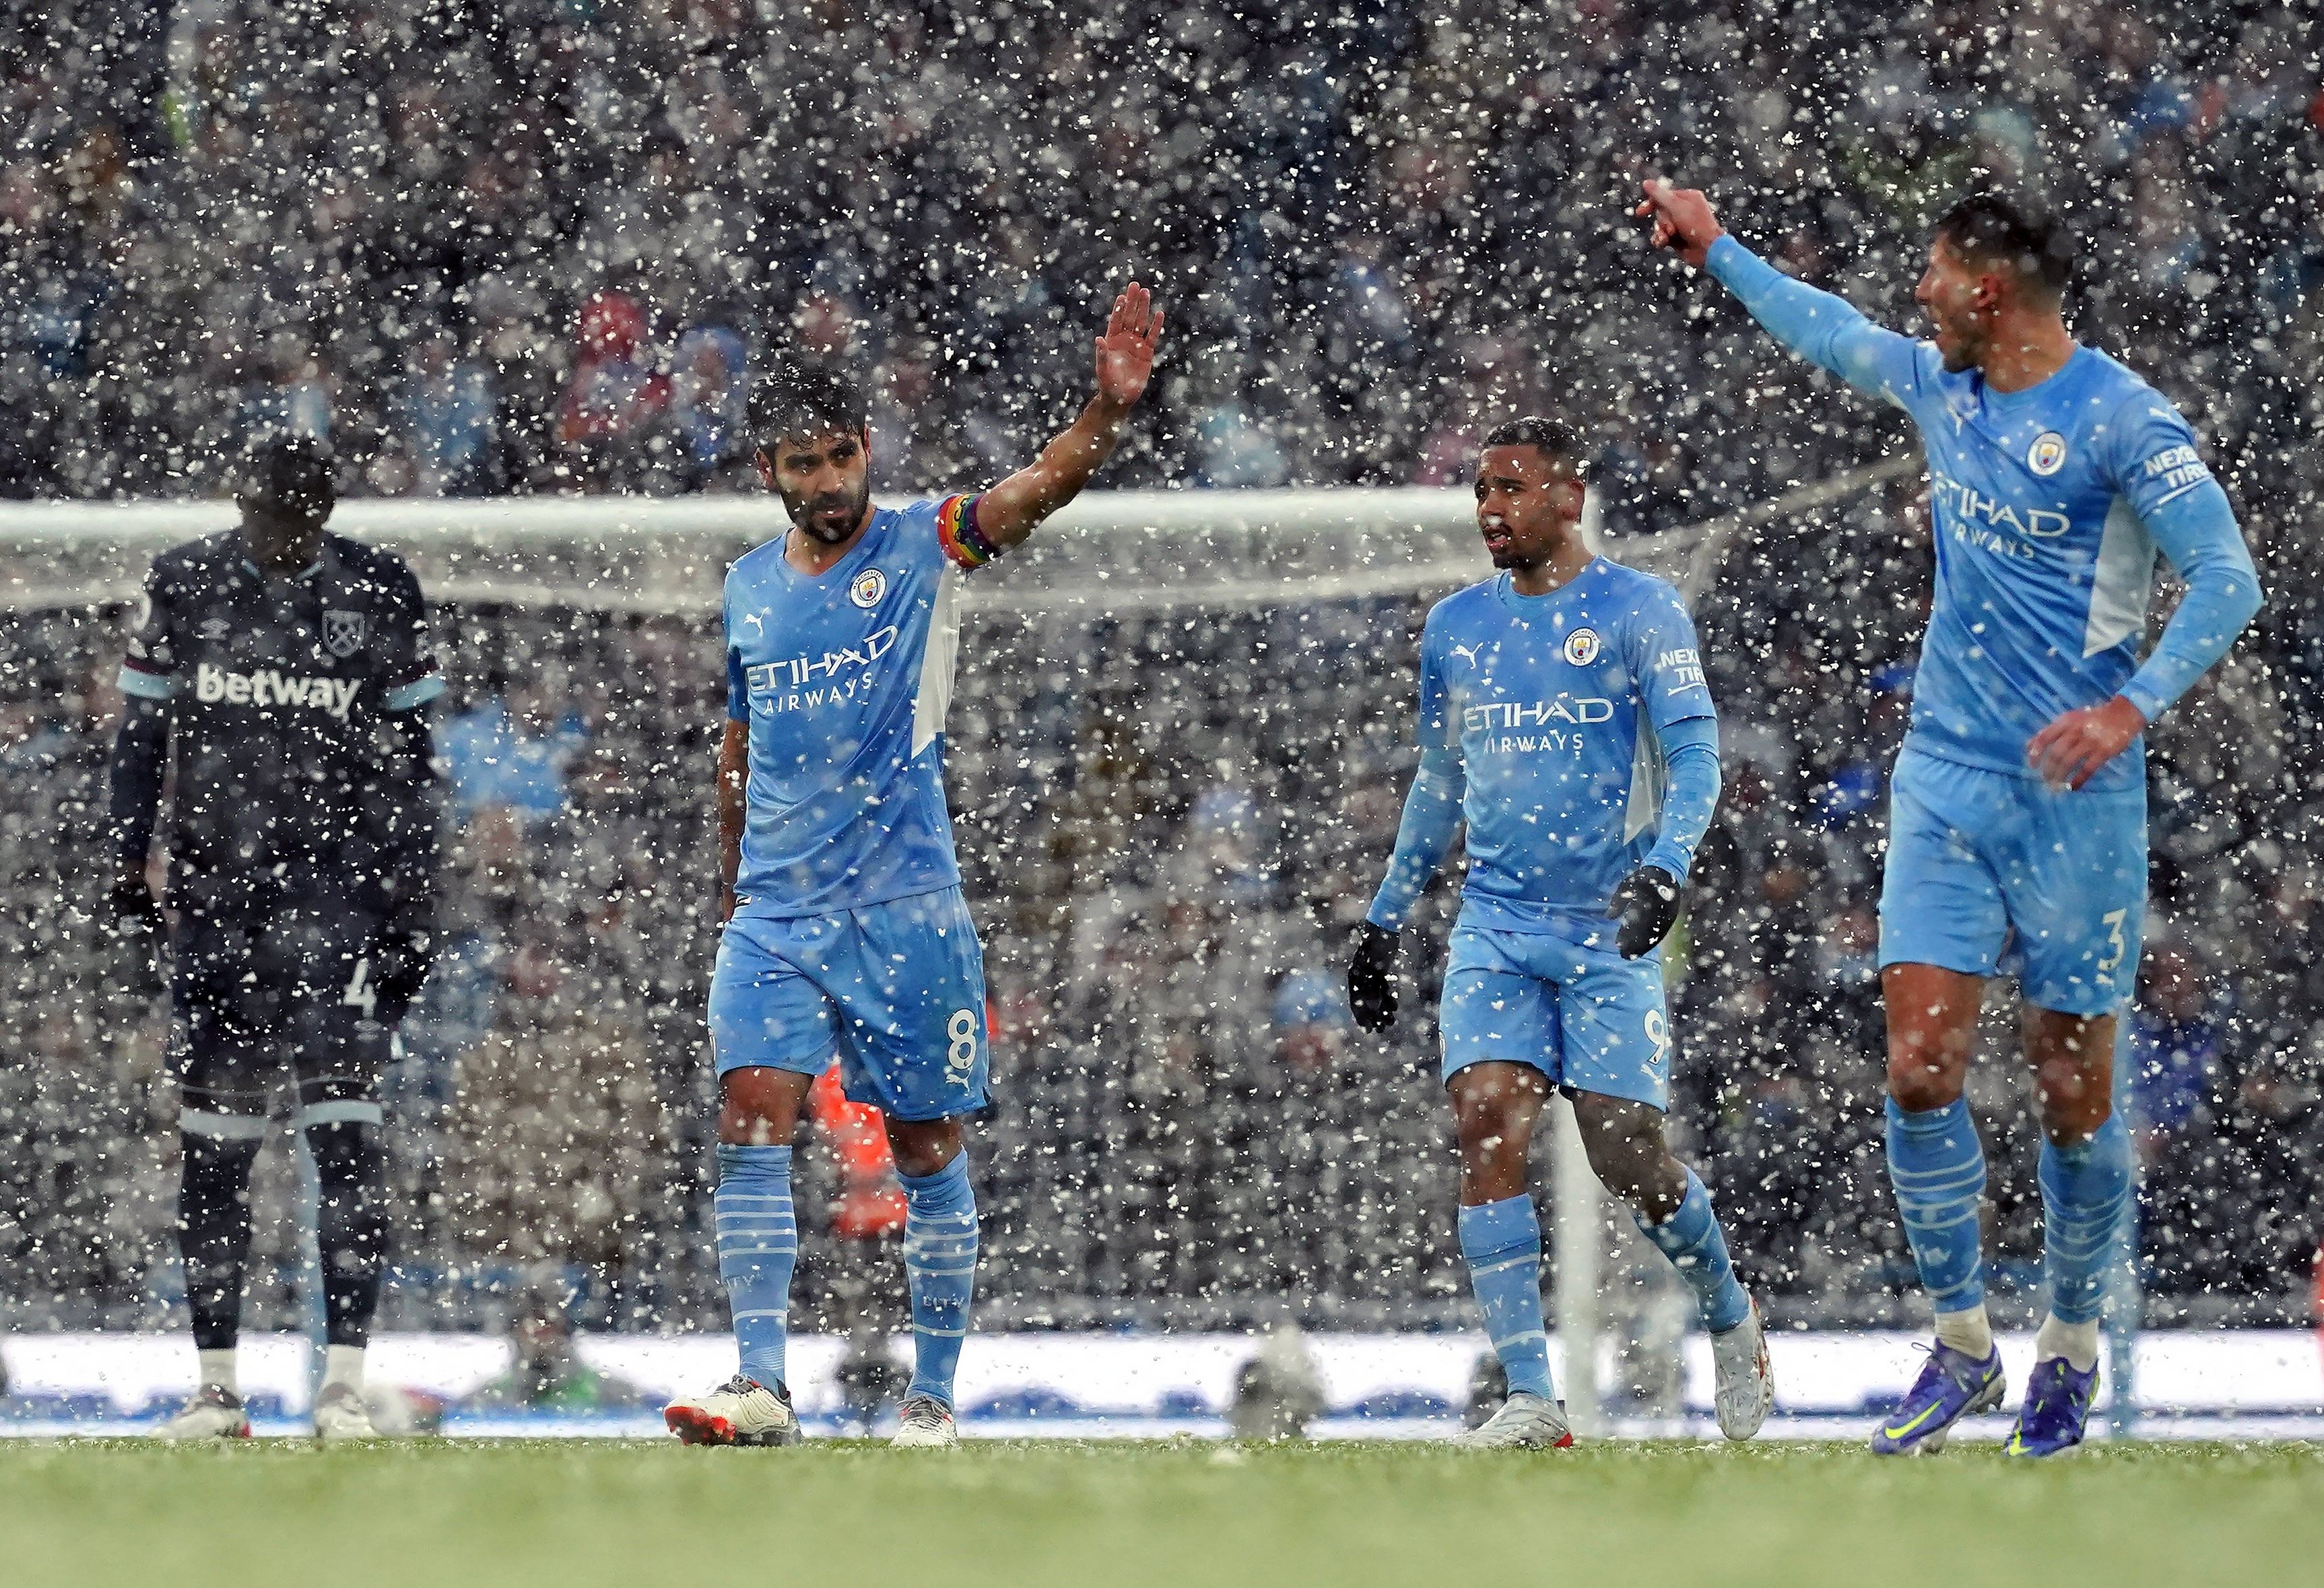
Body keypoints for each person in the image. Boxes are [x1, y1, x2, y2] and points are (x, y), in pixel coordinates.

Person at [1635, 180, 2263, 1455]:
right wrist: (1717, 249)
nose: (1917, 295)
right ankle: (1964, 1342)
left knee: (2072, 1086)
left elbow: (2227, 576)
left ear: (1988, 289)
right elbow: (1825, 333)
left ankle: (2072, 1347)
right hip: (1946, 778)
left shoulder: (2121, 421)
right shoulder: (1942, 386)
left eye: (1932, 274)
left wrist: (2130, 708)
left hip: (2077, 798)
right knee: (1919, 1062)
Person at [662, 284, 1164, 1449]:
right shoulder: (746, 586)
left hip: (905, 905)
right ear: (768, 471)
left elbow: (1035, 490)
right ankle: (759, 1384)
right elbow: (739, 739)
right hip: (777, 908)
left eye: (844, 455)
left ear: (865, 448)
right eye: (806, 463)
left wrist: (1103, 409)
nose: (832, 480)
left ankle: (931, 1397)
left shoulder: (923, 544)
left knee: (927, 1145)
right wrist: (733, 866)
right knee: (751, 1114)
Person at [1348, 417, 1773, 1449]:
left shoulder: (1640, 609)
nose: (1491, 509)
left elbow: (1695, 759)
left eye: (1512, 488)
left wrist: (1665, 867)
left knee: (1626, 1151)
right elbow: (1439, 782)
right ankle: (1535, 1400)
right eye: (1482, 491)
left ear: (1568, 498)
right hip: (1496, 923)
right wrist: (1383, 918)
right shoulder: (1455, 628)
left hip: (1605, 925)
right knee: (1486, 1123)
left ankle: (1729, 1311)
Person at [107, 433, 445, 1442]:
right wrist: (130, 869)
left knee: (345, 1137)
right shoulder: (184, 583)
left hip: (336, 904)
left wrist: (410, 908)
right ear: (240, 504)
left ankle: (341, 1387)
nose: (277, 536)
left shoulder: (381, 591)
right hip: (220, 905)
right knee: (216, 1148)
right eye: (262, 516)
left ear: (325, 511)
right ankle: (217, 1389)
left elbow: (410, 770)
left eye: (295, 520)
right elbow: (141, 741)